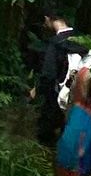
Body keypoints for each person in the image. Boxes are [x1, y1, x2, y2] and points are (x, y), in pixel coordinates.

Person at [30, 11, 76, 150]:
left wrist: (37, 90)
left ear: (47, 20)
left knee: (46, 133)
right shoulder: (82, 39)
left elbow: (49, 75)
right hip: (86, 95)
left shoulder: (56, 44)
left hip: (60, 95)